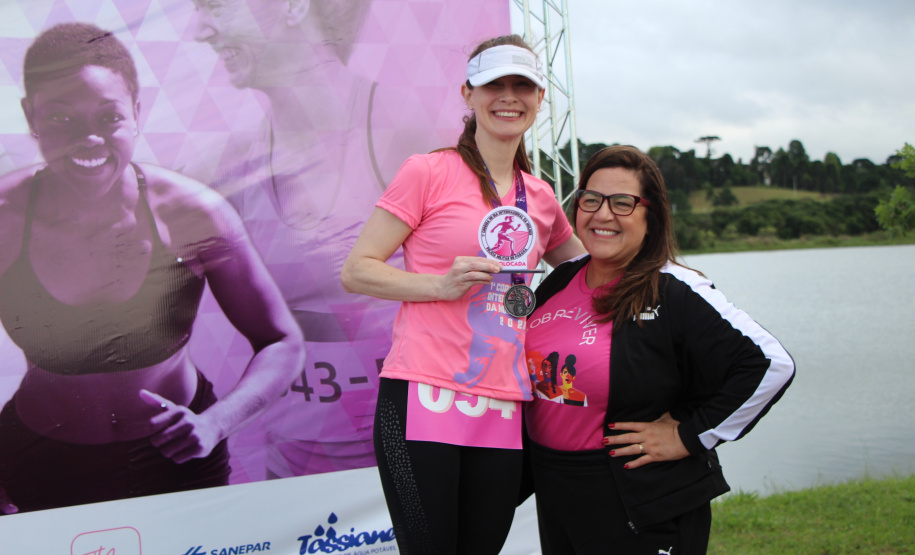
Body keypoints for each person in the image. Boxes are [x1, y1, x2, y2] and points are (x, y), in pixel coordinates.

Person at [0, 22, 304, 515]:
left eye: (108, 117)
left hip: (182, 460)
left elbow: (281, 342)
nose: (89, 138)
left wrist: (215, 423)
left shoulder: (194, 214)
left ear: (136, 114)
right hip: (40, 460)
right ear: (30, 117)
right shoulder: (5, 219)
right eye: (60, 118)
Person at [341, 35, 586, 555]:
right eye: (495, 83)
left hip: (504, 402)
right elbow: (357, 271)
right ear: (468, 93)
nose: (509, 96)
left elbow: (587, 276)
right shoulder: (426, 171)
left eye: (524, 85)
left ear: (541, 99)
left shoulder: (541, 197)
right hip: (423, 393)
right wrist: (439, 285)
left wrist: (663, 277)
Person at [189, 0, 442, 477]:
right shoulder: (227, 164)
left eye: (216, 6)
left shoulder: (410, 127)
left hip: (412, 453)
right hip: (296, 467)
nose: (200, 29)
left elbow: (491, 280)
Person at [523, 145, 795, 553]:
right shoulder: (559, 280)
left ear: (651, 215)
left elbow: (769, 364)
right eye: (591, 199)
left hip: (639, 500)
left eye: (623, 203)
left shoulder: (674, 287)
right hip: (558, 492)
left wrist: (689, 435)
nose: (602, 214)